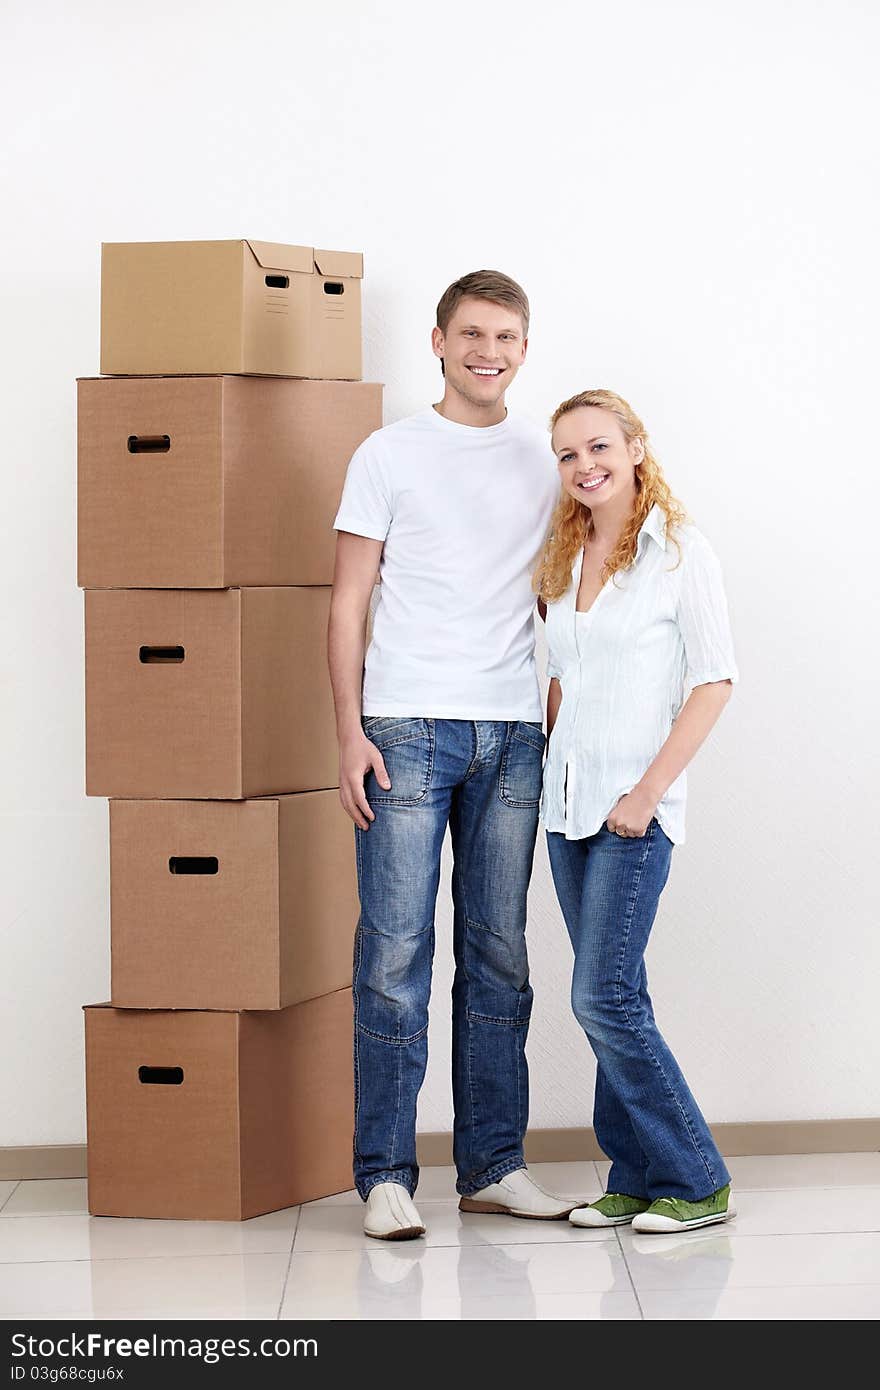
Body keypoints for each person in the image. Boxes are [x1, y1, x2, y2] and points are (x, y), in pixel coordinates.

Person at [328, 271, 581, 1240]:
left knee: (498, 957)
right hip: (402, 726)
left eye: (507, 335)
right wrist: (345, 729)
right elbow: (347, 599)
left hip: (512, 733)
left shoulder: (543, 457)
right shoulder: (387, 452)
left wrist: (562, 714)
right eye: (471, 333)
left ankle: (493, 1164)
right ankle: (386, 1174)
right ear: (437, 341)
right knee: (393, 954)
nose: (489, 350)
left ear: (524, 345)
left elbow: (566, 597)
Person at [534, 388, 739, 1234]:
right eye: (569, 456)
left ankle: (696, 1179)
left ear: (636, 448)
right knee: (619, 994)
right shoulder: (562, 555)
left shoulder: (681, 553)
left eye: (598, 448)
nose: (585, 466)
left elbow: (714, 680)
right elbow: (559, 679)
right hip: (567, 804)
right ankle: (632, 1173)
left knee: (601, 997)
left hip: (634, 810)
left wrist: (647, 793)